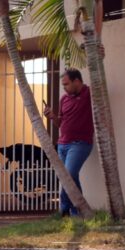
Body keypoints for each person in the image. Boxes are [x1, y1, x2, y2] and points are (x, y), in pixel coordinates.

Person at [43, 68, 94, 218]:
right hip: (62, 144)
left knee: (69, 176)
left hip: (80, 144)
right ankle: (77, 210)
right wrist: (52, 116)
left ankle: (64, 209)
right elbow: (60, 123)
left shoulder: (89, 94)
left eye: (66, 84)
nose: (64, 88)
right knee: (72, 177)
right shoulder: (64, 99)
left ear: (77, 81)